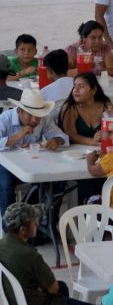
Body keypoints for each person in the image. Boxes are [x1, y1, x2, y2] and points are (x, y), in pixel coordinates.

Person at [0, 203, 113, 305]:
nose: (36, 224)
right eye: (33, 221)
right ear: (22, 230)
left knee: (63, 287)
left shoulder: (2, 246)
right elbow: (53, 289)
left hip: (17, 304)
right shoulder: (29, 255)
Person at [0, 89, 69, 218]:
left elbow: (62, 136)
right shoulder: (5, 119)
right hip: (5, 166)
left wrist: (56, 140)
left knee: (55, 180)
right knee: (5, 186)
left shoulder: (43, 120)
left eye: (38, 116)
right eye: (30, 115)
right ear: (19, 111)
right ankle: (9, 227)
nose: (34, 120)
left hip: (31, 165)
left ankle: (36, 221)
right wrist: (17, 136)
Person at [59, 73, 113, 146]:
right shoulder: (70, 108)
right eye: (74, 86)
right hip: (75, 152)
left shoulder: (105, 105)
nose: (76, 90)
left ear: (93, 90)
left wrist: (107, 133)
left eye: (81, 87)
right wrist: (91, 141)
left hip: (101, 148)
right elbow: (70, 135)